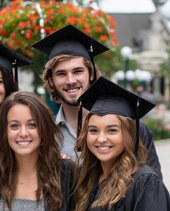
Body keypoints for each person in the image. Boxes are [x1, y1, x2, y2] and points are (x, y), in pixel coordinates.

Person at [32, 24, 161, 177]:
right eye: (61, 74)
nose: (71, 80)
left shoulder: (133, 128)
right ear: (51, 81)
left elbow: (153, 187)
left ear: (91, 73)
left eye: (78, 71)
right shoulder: (44, 135)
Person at [68, 77, 170, 211]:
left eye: (112, 130)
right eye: (93, 130)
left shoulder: (145, 185)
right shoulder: (86, 181)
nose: (101, 138)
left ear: (129, 134)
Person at [0, 91, 72, 211]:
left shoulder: (65, 176)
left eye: (32, 125)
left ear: (44, 128)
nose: (23, 133)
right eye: (14, 126)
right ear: (5, 131)